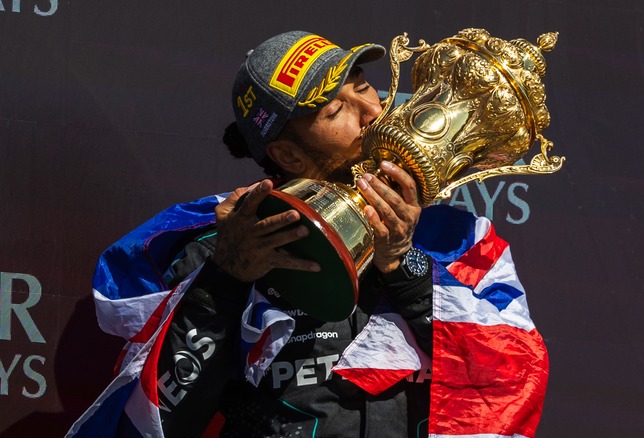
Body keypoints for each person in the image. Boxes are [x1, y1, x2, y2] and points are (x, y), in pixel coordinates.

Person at [68, 30, 549, 438]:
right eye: (337, 107)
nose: (371, 110)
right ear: (290, 157)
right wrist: (225, 280)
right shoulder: (234, 243)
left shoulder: (460, 239)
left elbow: (508, 380)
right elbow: (158, 419)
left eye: (363, 86)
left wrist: (404, 263)